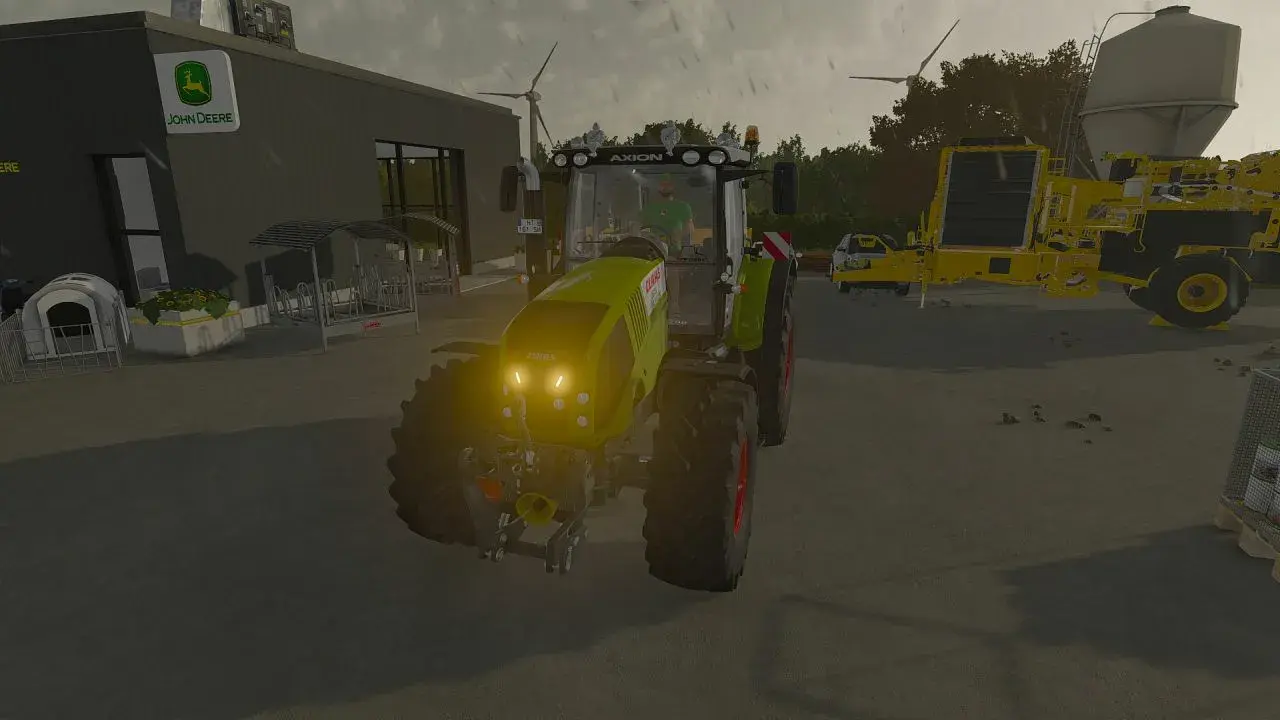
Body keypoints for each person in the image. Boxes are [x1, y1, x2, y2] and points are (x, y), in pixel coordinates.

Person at [638, 176, 696, 255]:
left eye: (668, 184)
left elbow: (690, 227)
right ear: (658, 187)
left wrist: (677, 236)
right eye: (662, 184)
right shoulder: (649, 208)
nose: (665, 187)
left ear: (673, 187)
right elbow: (640, 226)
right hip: (653, 251)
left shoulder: (683, 207)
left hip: (674, 251)